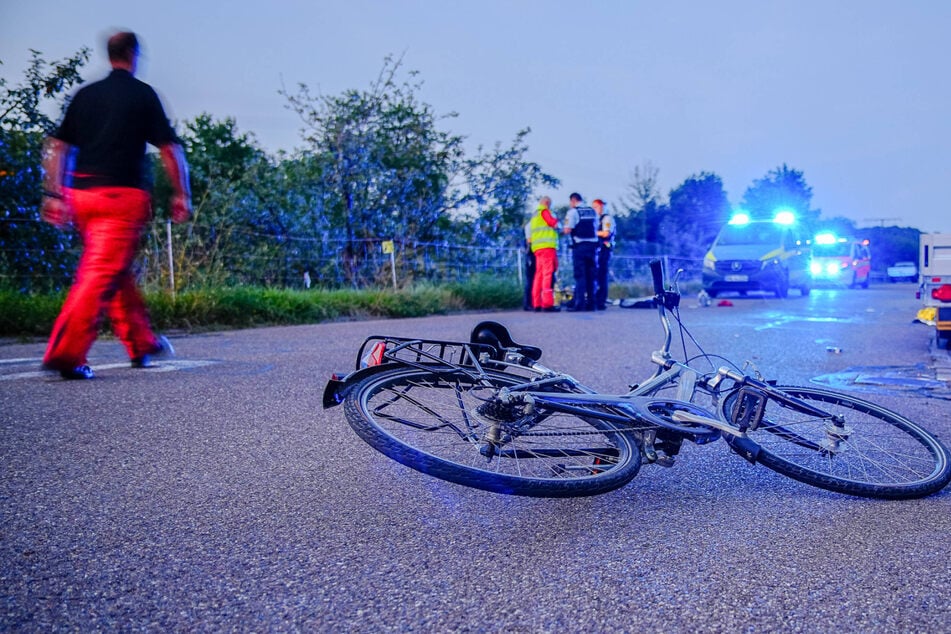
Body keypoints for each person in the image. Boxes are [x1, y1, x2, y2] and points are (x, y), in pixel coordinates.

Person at [39, 31, 192, 380]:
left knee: (114, 269)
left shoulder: (85, 95)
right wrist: (182, 194)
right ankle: (66, 353)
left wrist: (53, 195)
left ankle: (141, 343)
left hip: (82, 197)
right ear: (134, 55)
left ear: (109, 55)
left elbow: (57, 145)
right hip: (120, 199)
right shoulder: (142, 95)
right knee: (99, 274)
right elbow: (171, 149)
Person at [562, 192, 598, 311]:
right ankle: (592, 304)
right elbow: (597, 227)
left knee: (580, 276)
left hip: (580, 246)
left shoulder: (573, 212)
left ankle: (580, 304)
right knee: (591, 276)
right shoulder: (592, 211)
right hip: (593, 247)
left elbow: (567, 230)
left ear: (573, 200)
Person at [528, 196, 560, 312]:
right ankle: (547, 304)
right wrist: (557, 222)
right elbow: (552, 223)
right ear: (546, 203)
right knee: (547, 275)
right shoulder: (544, 211)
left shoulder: (534, 215)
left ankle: (536, 303)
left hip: (537, 248)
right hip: (547, 247)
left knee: (539, 275)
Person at [592, 198, 615, 310]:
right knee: (597, 275)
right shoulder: (598, 219)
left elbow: (606, 233)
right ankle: (597, 299)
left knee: (602, 274)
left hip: (605, 249)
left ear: (601, 206)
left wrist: (592, 233)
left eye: (595, 207)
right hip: (598, 249)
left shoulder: (606, 218)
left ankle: (601, 301)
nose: (594, 209)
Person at [522, 217, 536, 310]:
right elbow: (529, 241)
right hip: (531, 255)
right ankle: (528, 303)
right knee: (530, 280)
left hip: (535, 253)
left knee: (533, 280)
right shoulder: (530, 225)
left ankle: (532, 303)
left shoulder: (531, 224)